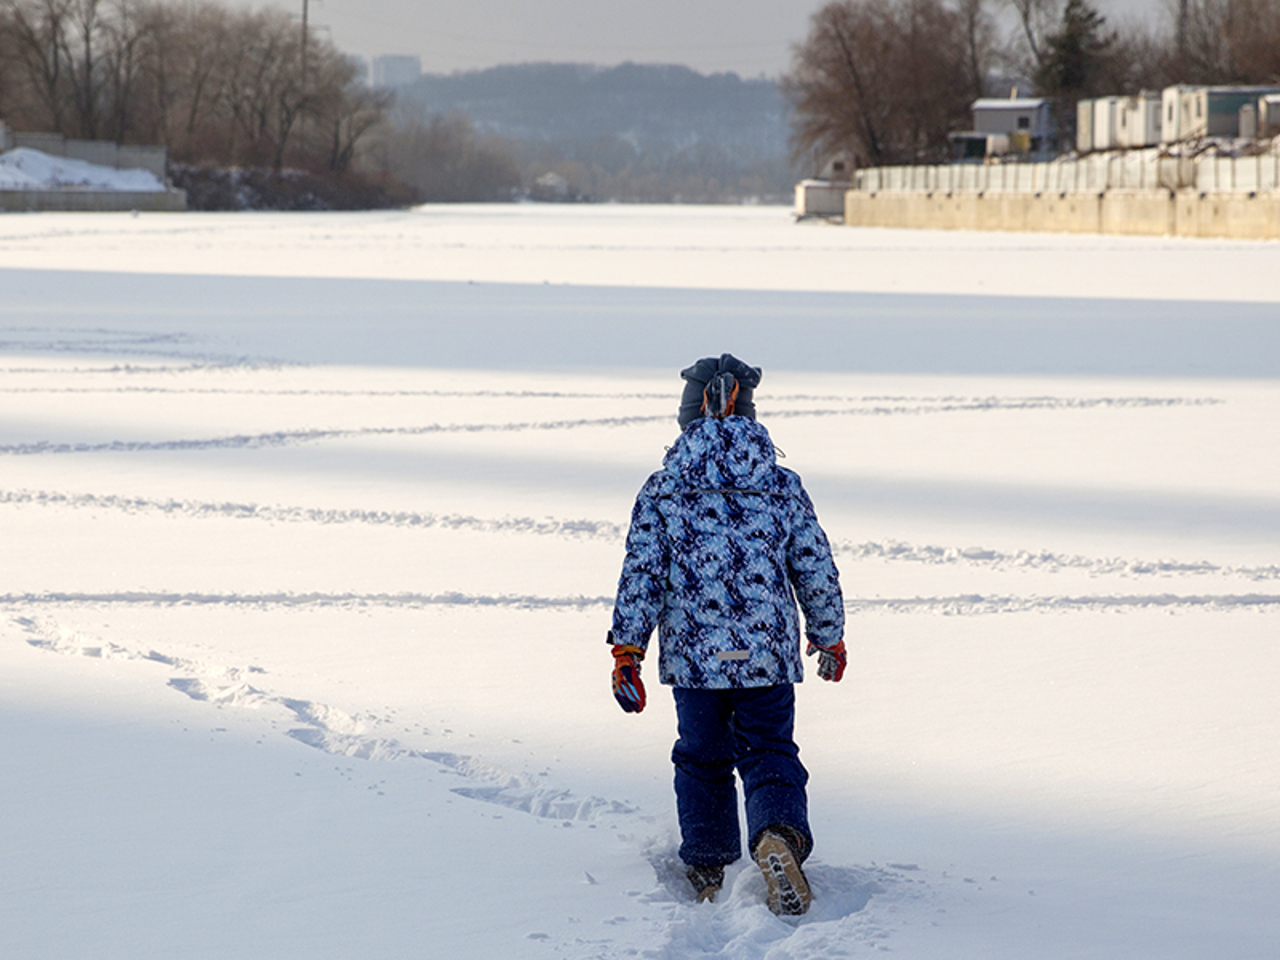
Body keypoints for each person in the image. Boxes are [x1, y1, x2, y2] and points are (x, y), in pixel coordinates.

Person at [607, 353, 846, 916]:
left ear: (687, 419)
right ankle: (776, 837)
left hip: (695, 661)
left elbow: (642, 572)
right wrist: (828, 635)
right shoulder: (779, 484)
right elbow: (814, 564)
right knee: (768, 750)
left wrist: (628, 650)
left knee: (702, 759)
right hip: (765, 656)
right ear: (750, 415)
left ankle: (711, 868)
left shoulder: (665, 489)